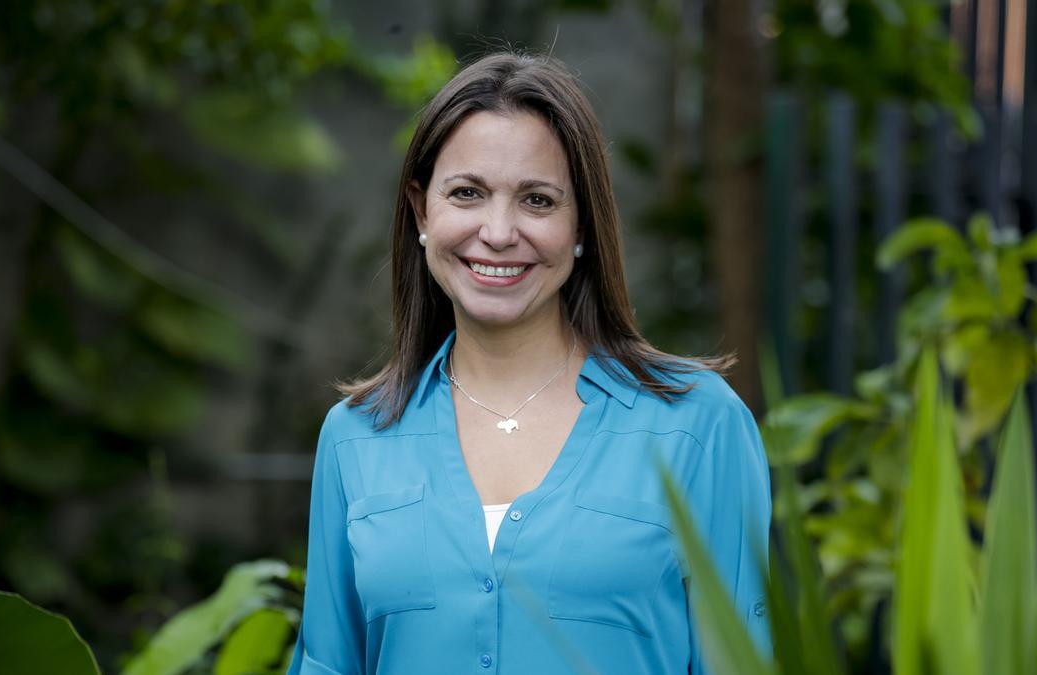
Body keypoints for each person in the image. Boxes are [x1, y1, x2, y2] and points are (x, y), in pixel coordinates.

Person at [287, 50, 771, 675]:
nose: (497, 231)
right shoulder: (356, 435)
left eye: (537, 201)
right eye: (467, 193)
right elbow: (329, 662)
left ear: (581, 227)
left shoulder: (698, 427)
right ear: (421, 211)